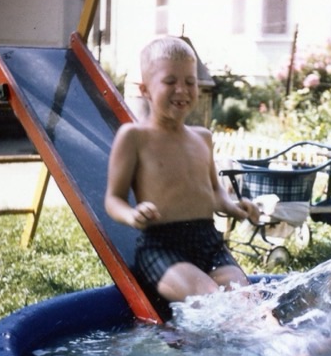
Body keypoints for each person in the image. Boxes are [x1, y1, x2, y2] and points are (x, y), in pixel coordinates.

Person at [105, 36, 259, 304]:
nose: (182, 90)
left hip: (209, 242)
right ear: (145, 90)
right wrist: (132, 214)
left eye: (190, 82)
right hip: (162, 247)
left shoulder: (203, 138)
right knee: (214, 304)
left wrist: (235, 208)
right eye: (169, 81)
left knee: (248, 301)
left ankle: (287, 337)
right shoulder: (135, 136)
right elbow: (112, 199)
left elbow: (213, 192)